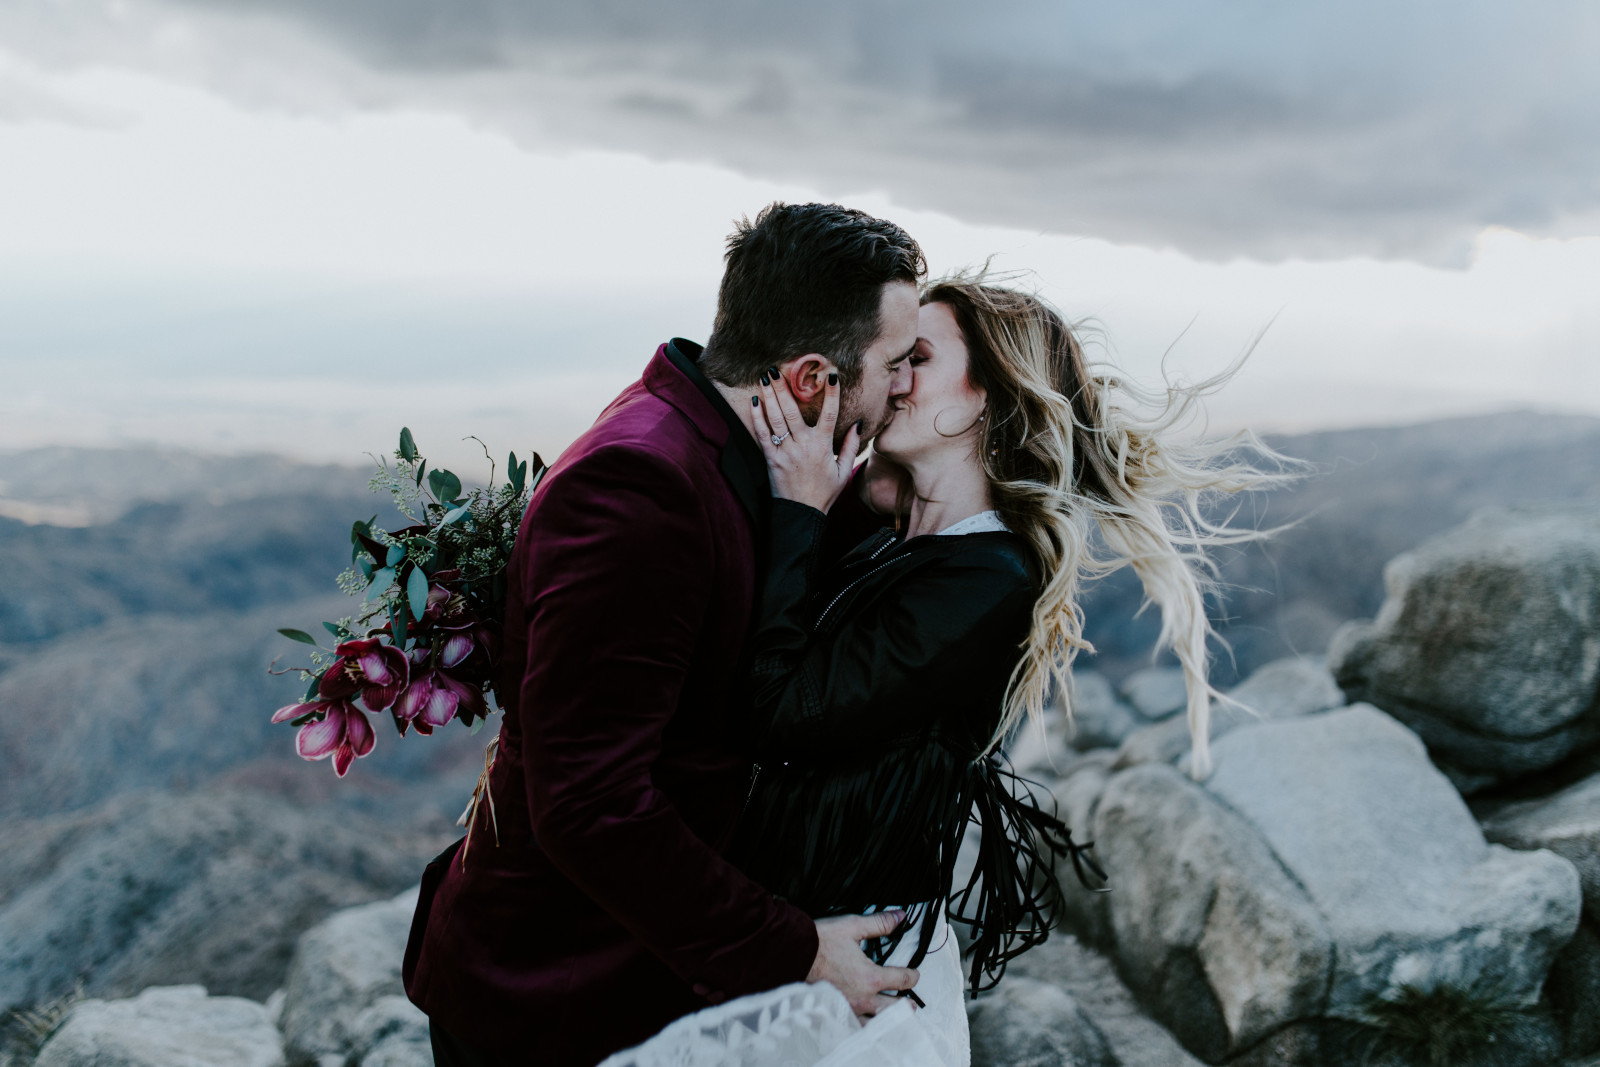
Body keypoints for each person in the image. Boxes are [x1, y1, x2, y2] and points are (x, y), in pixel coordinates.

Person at [599, 274, 1288, 1066]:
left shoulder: (990, 580)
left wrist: (799, 510)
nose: (890, 379)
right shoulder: (896, 535)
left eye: (915, 358)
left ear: (984, 399)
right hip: (792, 936)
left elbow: (784, 711)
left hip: (848, 961)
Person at [402, 202, 933, 1067]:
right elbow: (590, 805)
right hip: (550, 999)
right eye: (894, 362)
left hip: (629, 976)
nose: (904, 385)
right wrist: (794, 948)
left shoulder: (740, 447)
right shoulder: (638, 489)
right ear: (810, 380)